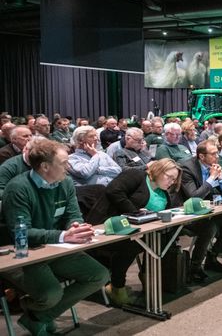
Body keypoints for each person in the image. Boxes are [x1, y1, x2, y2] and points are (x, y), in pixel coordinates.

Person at [1, 139, 108, 334]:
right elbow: (21, 233)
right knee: (51, 294)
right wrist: (64, 235)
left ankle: (38, 315)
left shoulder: (65, 182)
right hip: (25, 253)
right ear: (44, 166)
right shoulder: (17, 188)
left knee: (99, 275)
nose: (69, 167)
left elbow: (73, 214)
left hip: (56, 248)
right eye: (64, 163)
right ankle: (39, 311)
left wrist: (74, 225)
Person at [86, 159, 183, 305]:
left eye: (174, 180)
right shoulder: (136, 175)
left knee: (164, 241)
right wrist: (135, 212)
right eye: (169, 177)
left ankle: (150, 279)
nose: (171, 182)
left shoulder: (163, 192)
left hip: (142, 229)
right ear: (158, 170)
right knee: (134, 245)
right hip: (111, 226)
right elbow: (113, 190)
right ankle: (117, 287)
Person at [179, 140, 222, 282]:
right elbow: (193, 197)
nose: (217, 156)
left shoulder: (214, 166)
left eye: (217, 152)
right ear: (202, 156)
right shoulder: (187, 169)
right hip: (188, 214)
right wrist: (212, 178)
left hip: (210, 211)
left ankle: (212, 257)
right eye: (213, 153)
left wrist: (220, 178)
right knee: (209, 227)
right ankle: (194, 267)